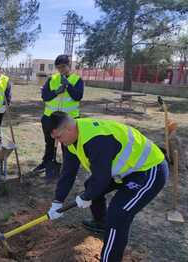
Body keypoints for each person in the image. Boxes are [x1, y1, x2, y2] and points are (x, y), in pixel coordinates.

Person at [46, 111, 168, 262]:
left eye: (58, 137)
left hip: (148, 170)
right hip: (126, 170)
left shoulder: (96, 139)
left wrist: (87, 197)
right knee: (90, 186)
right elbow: (68, 172)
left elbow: (102, 178)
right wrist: (57, 201)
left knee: (118, 214)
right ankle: (101, 223)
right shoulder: (70, 140)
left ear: (69, 129)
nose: (58, 142)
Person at [32, 54, 84, 173]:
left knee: (68, 145)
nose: (61, 69)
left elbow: (78, 96)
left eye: (63, 67)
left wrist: (68, 86)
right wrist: (56, 91)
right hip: (50, 117)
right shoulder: (52, 79)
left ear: (69, 65)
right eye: (58, 67)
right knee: (49, 142)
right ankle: (47, 162)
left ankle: (68, 168)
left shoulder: (77, 80)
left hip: (69, 119)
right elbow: (45, 96)